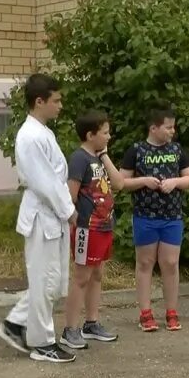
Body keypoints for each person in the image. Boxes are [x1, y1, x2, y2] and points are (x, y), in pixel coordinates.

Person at [0, 74, 78, 363]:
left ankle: (16, 323)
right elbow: (45, 182)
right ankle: (42, 342)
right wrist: (69, 210)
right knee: (45, 281)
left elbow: (54, 179)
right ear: (39, 101)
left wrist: (64, 210)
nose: (60, 105)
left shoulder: (43, 132)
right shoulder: (30, 136)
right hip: (43, 215)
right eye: (56, 100)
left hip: (51, 214)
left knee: (53, 283)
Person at [120, 104, 189, 332]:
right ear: (154, 128)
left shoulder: (178, 150)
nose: (172, 131)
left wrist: (175, 182)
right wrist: (144, 181)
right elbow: (122, 182)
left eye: (173, 127)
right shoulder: (136, 151)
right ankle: (145, 313)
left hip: (172, 216)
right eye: (168, 127)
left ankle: (171, 311)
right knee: (145, 263)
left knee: (170, 263)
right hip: (145, 216)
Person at [60, 110, 126, 350]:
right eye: (105, 132)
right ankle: (70, 329)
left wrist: (105, 155)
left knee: (97, 274)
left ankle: (91, 323)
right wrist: (74, 218)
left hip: (104, 226)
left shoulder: (98, 158)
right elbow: (71, 194)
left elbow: (118, 183)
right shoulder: (79, 159)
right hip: (87, 228)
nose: (109, 136)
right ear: (90, 134)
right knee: (81, 277)